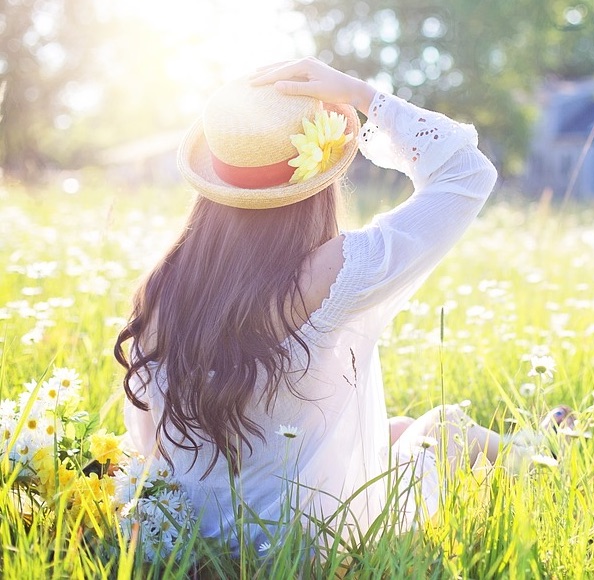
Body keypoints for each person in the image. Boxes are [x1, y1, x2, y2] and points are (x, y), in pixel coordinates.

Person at [115, 58, 560, 553]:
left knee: (395, 431)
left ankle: (534, 448)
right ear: (319, 177)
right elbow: (466, 173)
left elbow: (148, 436)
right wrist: (365, 96)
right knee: (444, 427)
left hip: (192, 535)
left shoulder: (165, 283)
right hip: (310, 544)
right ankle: (541, 456)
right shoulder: (335, 271)